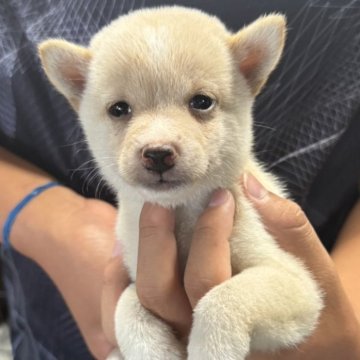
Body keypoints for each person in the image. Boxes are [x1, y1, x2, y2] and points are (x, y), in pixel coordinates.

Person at [0, 0, 359, 359]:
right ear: (78, 89)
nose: (157, 143)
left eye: (201, 102)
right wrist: (54, 222)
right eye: (120, 109)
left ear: (249, 70)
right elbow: (135, 290)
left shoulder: (246, 204)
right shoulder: (132, 211)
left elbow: (295, 292)